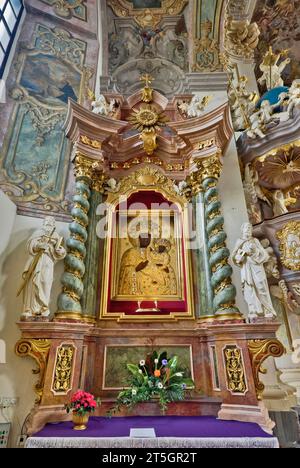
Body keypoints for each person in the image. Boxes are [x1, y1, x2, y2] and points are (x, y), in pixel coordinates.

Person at [19, 217, 66, 318]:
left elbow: (60, 251)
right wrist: (39, 245)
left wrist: (60, 251)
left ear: (54, 224)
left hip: (48, 262)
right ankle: (31, 309)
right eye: (47, 221)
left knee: (45, 282)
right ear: (43, 223)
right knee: (33, 282)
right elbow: (30, 245)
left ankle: (43, 307)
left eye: (51, 222)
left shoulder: (56, 235)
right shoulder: (38, 232)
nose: (49, 223)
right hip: (37, 260)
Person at [232, 222, 277, 320]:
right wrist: (239, 257)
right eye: (246, 228)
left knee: (261, 287)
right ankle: (253, 311)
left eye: (250, 228)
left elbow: (265, 255)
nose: (248, 230)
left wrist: (254, 252)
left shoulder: (255, 241)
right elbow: (234, 256)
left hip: (257, 267)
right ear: (242, 230)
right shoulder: (239, 242)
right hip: (246, 268)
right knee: (248, 289)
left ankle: (268, 310)